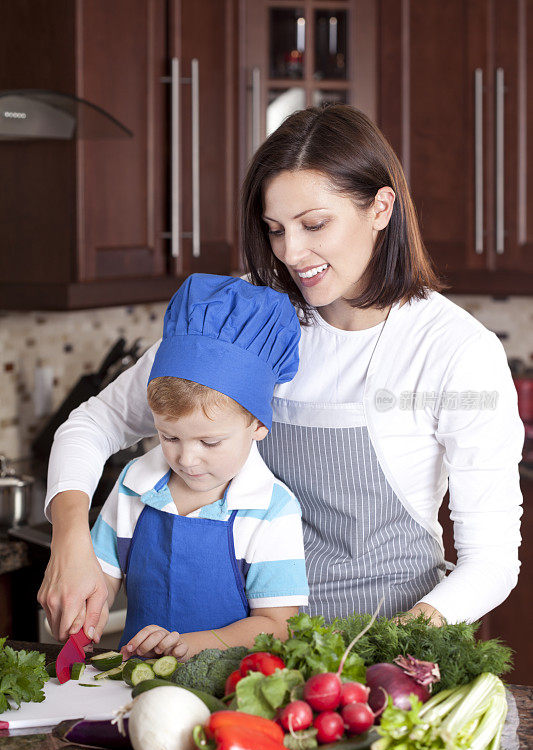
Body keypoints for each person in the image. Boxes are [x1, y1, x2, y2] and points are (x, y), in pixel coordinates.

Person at [39, 105, 523, 645]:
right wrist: (70, 542)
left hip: (378, 659)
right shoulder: (241, 321)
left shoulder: (455, 350)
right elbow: (92, 424)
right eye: (275, 230)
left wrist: (395, 644)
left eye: (315, 225)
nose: (291, 252)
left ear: (381, 207)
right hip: (243, 661)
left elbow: (492, 561)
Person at [67, 273, 308, 658]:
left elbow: (277, 626)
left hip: (230, 696)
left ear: (258, 425)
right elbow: (100, 581)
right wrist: (80, 619)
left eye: (210, 442)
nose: (186, 459)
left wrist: (189, 645)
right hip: (138, 684)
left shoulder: (272, 511)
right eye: (169, 437)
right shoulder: (134, 485)